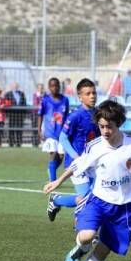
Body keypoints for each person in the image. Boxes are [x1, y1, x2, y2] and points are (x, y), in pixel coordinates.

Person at [43, 100, 131, 261]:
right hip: (98, 200)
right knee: (87, 236)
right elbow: (77, 165)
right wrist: (58, 181)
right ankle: (80, 249)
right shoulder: (95, 146)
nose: (105, 130)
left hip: (123, 206)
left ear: (119, 124)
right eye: (101, 126)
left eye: (109, 126)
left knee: (107, 246)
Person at [47, 78, 99, 221]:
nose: (92, 96)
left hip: (92, 162)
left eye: (94, 93)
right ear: (80, 97)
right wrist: (76, 157)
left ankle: (56, 200)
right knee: (86, 199)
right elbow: (63, 138)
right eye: (88, 93)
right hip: (76, 164)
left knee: (94, 197)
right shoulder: (75, 116)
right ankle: (85, 229)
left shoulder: (98, 114)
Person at [38, 78, 69, 182]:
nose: (54, 88)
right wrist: (39, 130)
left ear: (59, 87)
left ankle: (51, 169)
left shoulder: (65, 100)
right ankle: (53, 180)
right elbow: (40, 115)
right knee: (53, 153)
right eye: (52, 86)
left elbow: (66, 116)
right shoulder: (45, 100)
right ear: (49, 87)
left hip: (62, 132)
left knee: (61, 155)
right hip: (50, 132)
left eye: (56, 86)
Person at [4, 82, 27, 147]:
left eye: (16, 86)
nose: (15, 87)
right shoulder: (8, 94)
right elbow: (5, 103)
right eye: (13, 86)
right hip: (12, 114)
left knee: (19, 129)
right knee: (11, 129)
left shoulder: (21, 94)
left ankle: (19, 143)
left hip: (20, 115)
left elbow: (24, 103)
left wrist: (24, 114)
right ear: (11, 87)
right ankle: (11, 143)